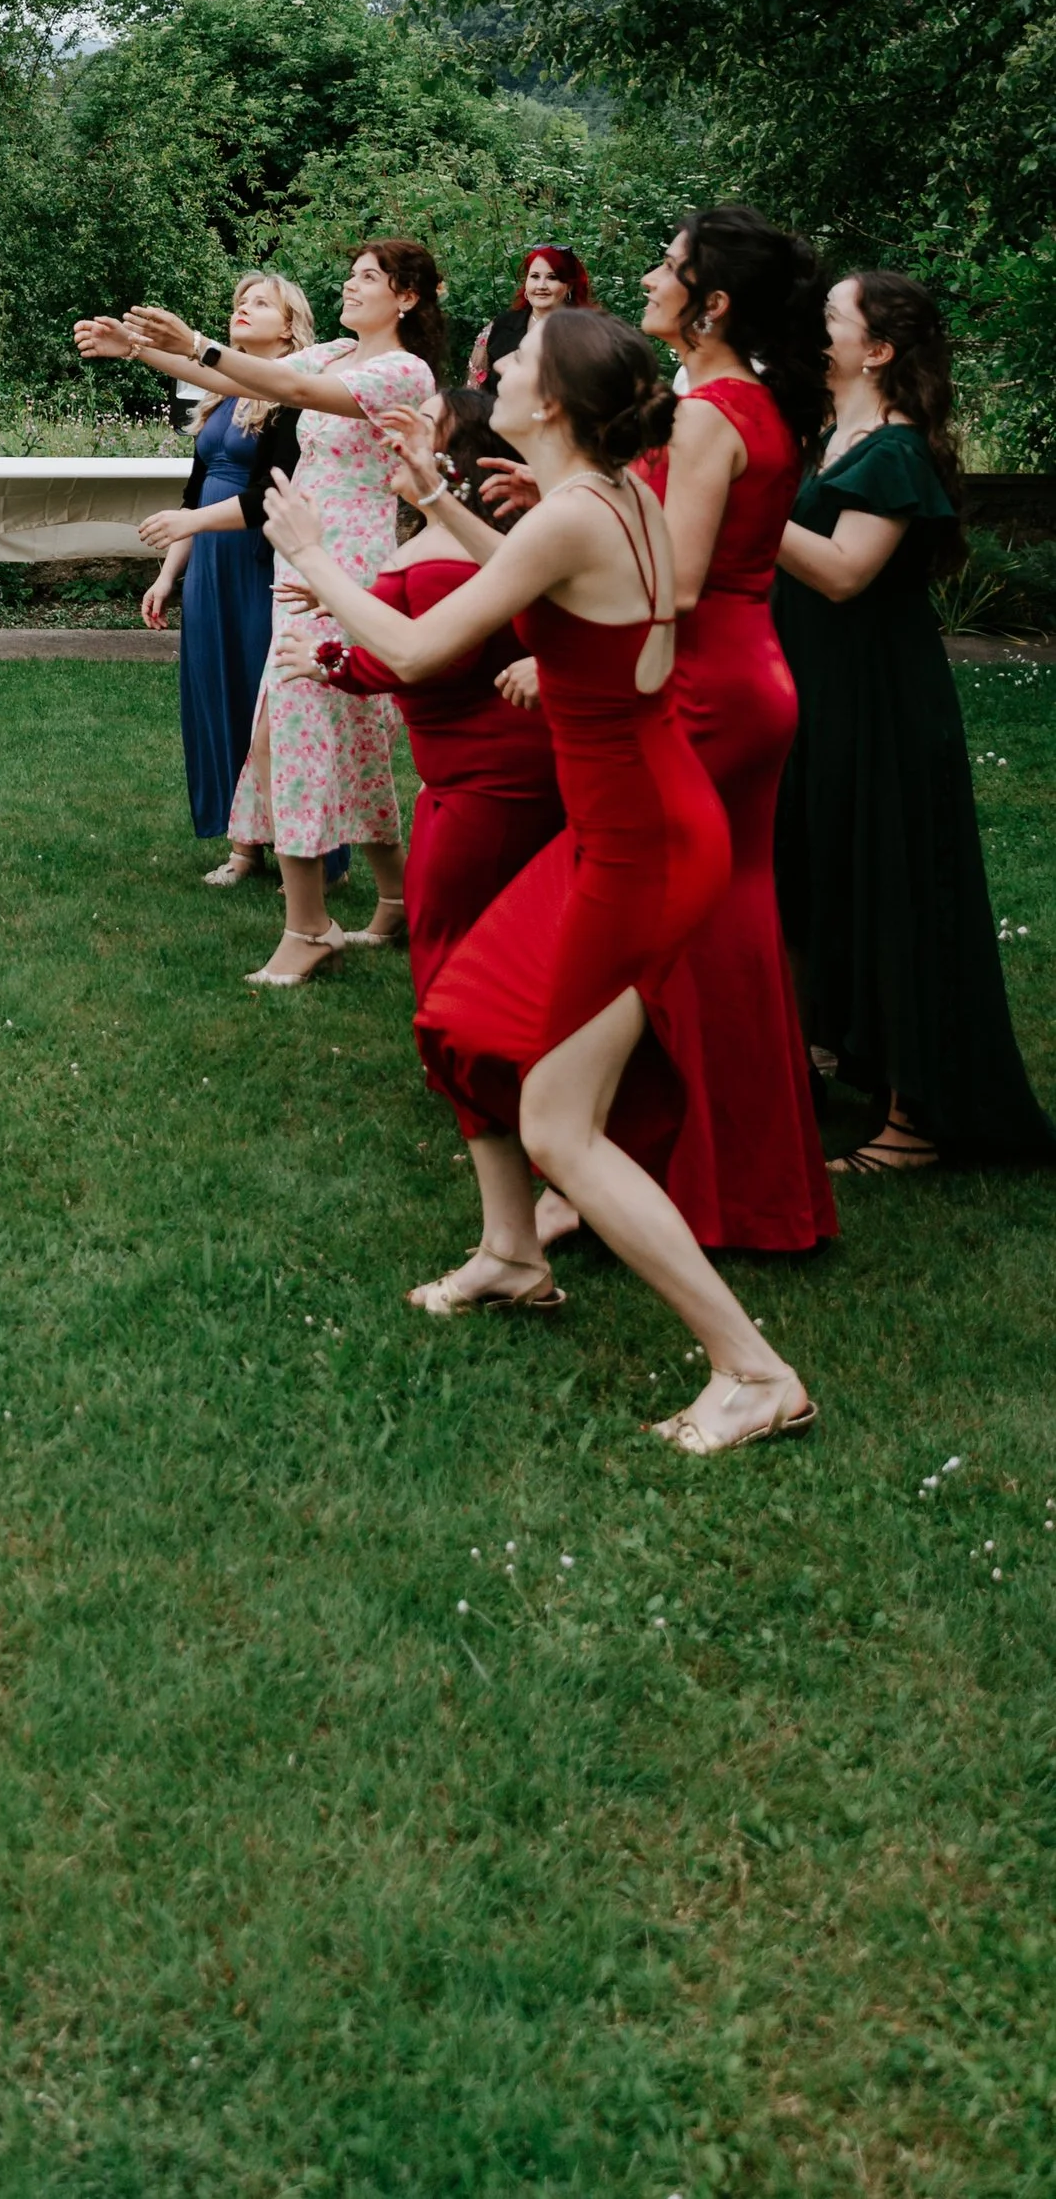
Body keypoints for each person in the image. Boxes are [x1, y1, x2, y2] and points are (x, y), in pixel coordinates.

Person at [271, 306, 817, 1456]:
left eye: (512, 366)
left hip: (641, 847)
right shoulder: (609, 498)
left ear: (551, 406)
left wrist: (316, 558)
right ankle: (514, 1256)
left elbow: (418, 652)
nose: (495, 373)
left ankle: (753, 1371)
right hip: (639, 824)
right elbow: (552, 586)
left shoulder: (577, 511)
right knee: (462, 1012)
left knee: (562, 1127)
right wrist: (434, 500)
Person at [87, 243, 443, 984]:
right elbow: (242, 376)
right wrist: (148, 355)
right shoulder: (343, 350)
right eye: (351, 274)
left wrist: (196, 341)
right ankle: (398, 899)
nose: (351, 284)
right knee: (350, 737)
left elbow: (290, 388)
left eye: (369, 277)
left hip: (344, 565)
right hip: (300, 557)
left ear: (407, 298)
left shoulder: (403, 370)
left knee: (298, 729)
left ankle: (308, 924)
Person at [774, 270, 1056, 1175]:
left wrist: (744, 511)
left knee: (892, 886)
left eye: (830, 320)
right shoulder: (833, 432)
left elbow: (847, 571)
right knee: (819, 871)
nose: (815, 332)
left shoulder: (893, 451)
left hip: (879, 699)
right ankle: (826, 1054)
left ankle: (917, 1121)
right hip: (819, 687)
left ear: (879, 350)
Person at [626, 207, 837, 1257]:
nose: (649, 278)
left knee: (673, 921)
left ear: (709, 305)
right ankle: (745, 1183)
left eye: (668, 269)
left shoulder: (707, 409)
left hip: (703, 679)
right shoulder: (748, 400)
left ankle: (700, 1184)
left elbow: (680, 574)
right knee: (733, 926)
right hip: (754, 671)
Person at [279, 384, 562, 1026]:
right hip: (462, 773)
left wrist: (333, 664)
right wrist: (342, 601)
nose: (397, 436)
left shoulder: (451, 554)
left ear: (457, 456)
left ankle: (482, 1065)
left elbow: (436, 661)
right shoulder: (445, 534)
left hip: (491, 775)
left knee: (456, 925)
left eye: (423, 424)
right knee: (449, 917)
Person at [135, 273, 316, 882]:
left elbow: (267, 493)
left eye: (259, 303)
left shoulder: (298, 391)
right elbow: (196, 486)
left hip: (259, 556)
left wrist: (189, 522)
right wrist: (169, 575)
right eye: (240, 302)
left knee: (262, 695)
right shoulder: (222, 390)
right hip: (210, 560)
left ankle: (292, 843)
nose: (244, 309)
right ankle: (242, 837)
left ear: (289, 324)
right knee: (215, 691)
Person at [466, 245, 591, 390]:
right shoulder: (500, 326)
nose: (541, 285)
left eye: (552, 277)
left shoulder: (586, 333)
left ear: (569, 286)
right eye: (535, 276)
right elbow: (476, 391)